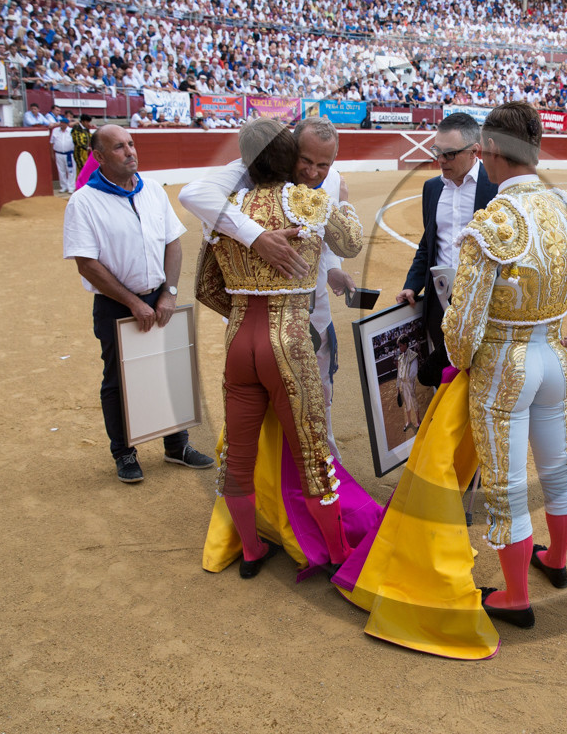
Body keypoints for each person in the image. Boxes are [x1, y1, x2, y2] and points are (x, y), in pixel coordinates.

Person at [442, 102, 567, 628]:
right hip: (553, 356)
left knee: (505, 485)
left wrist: (460, 364)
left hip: (504, 366)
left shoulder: (494, 223)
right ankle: (556, 558)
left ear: (484, 153)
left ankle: (515, 597)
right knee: (557, 467)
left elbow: (464, 324)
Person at [207, 116, 364, 577]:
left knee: (238, 456)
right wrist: (346, 204)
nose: (315, 172)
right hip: (290, 338)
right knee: (313, 455)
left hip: (239, 338)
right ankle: (336, 553)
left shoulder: (227, 208)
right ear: (289, 155)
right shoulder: (309, 202)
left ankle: (252, 549)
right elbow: (351, 243)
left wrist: (242, 305)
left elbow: (206, 284)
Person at [179, 116, 355, 460]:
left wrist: (332, 268)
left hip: (314, 307)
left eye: (324, 164)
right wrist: (256, 237)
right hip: (260, 313)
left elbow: (334, 243)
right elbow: (192, 193)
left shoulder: (332, 180)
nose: (314, 172)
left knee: (319, 397)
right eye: (305, 160)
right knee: (261, 403)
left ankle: (324, 464)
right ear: (290, 149)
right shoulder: (253, 168)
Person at [62, 124, 215, 484]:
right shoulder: (83, 201)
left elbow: (173, 243)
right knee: (118, 379)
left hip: (160, 298)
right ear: (98, 157)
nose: (130, 152)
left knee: (171, 370)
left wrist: (169, 293)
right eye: (119, 147)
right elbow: (87, 263)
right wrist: (133, 302)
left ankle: (177, 445)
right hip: (116, 304)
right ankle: (124, 452)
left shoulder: (153, 191)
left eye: (131, 144)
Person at [396, 113, 498, 386]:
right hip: (440, 305)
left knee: (481, 379)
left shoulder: (496, 187)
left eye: (449, 154)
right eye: (437, 151)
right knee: (445, 380)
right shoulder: (431, 189)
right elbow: (428, 245)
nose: (440, 160)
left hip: (483, 305)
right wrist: (412, 284)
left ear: (474, 151)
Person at [395, 336, 421, 433]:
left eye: (400, 346)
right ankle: (409, 420)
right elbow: (399, 373)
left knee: (413, 400)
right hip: (403, 383)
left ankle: (418, 420)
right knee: (406, 402)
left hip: (410, 382)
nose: (399, 348)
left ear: (405, 345)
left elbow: (414, 371)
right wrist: (398, 386)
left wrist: (408, 379)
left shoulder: (413, 355)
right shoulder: (400, 358)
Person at [50, 116, 75, 193]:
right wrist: (52, 154)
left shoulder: (71, 131)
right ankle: (63, 186)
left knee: (71, 171)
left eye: (64, 123)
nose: (62, 124)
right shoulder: (55, 131)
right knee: (61, 171)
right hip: (59, 153)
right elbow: (51, 142)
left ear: (67, 124)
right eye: (61, 123)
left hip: (70, 154)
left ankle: (71, 187)